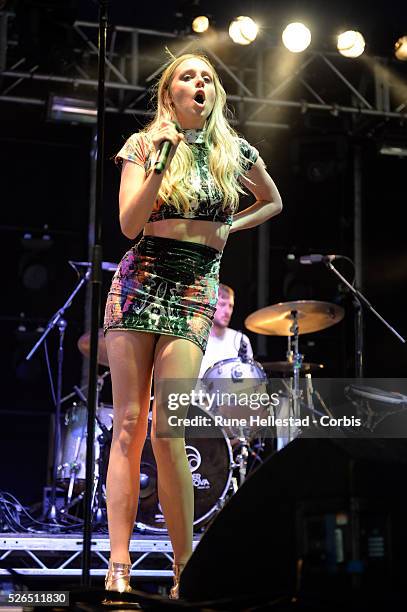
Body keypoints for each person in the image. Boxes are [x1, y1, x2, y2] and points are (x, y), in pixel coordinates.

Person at [103, 52, 283, 599]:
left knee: (169, 426)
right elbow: (130, 225)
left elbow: (272, 200)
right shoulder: (143, 146)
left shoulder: (233, 150)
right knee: (130, 423)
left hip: (194, 288)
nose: (199, 83)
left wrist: (232, 223)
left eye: (207, 77)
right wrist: (161, 161)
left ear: (214, 94)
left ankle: (186, 569)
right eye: (188, 76)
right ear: (169, 93)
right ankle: (119, 566)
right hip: (140, 282)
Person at [198, 283, 254, 379]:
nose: (227, 311)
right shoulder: (197, 338)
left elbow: (250, 379)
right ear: (210, 306)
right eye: (222, 304)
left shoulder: (241, 340)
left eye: (230, 306)